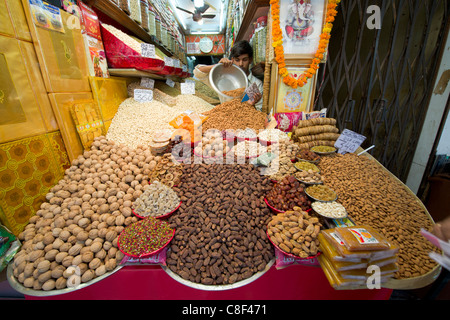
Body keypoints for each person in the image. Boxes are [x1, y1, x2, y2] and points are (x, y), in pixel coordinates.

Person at [194, 40, 263, 111]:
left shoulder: (256, 84)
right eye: (237, 60)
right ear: (232, 60)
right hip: (224, 118)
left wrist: (251, 104)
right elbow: (197, 72)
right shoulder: (224, 76)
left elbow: (259, 110)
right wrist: (217, 66)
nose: (241, 64)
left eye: (244, 60)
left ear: (250, 60)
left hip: (244, 120)